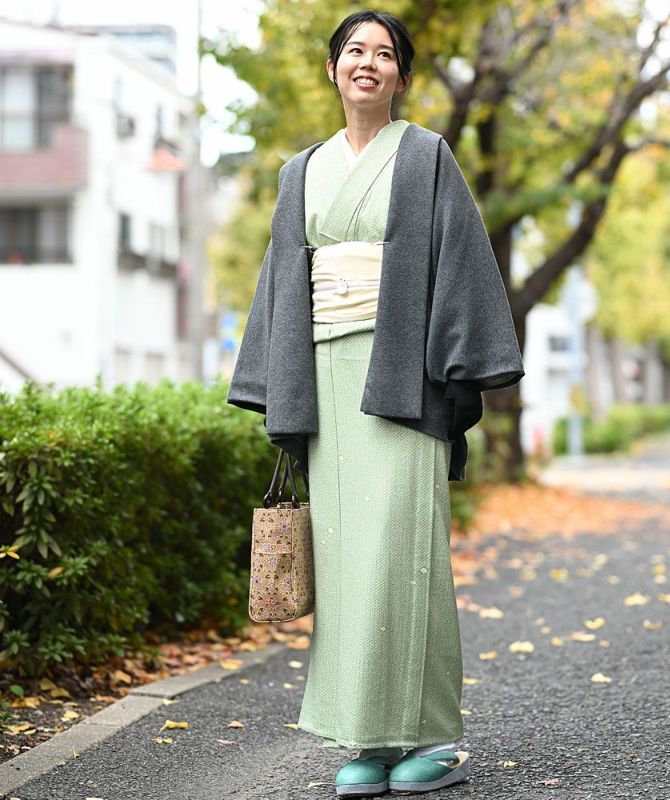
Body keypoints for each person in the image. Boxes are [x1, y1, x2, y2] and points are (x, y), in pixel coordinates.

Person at [227, 9, 524, 797]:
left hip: (401, 377)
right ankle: (364, 738)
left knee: (405, 558)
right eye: (354, 51)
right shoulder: (301, 171)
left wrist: (459, 366)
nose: (368, 63)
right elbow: (283, 282)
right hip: (326, 377)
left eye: (384, 53)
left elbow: (460, 259)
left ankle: (432, 737)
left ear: (400, 76)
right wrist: (276, 385)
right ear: (333, 71)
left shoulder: (426, 156)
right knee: (352, 566)